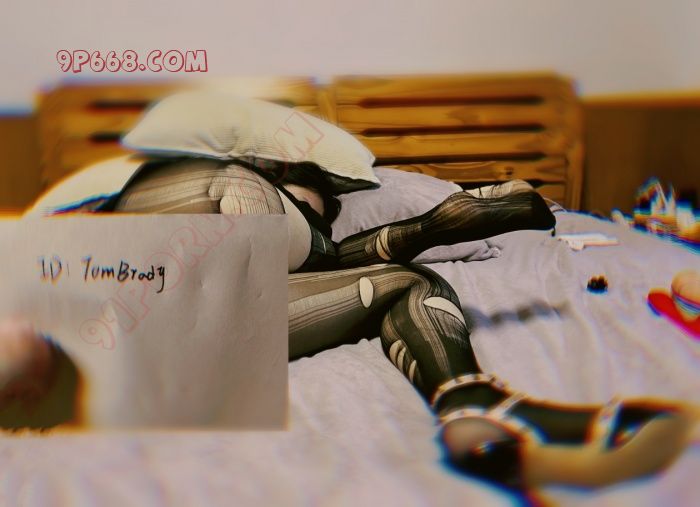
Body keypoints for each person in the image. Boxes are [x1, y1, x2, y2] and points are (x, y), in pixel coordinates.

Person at [0, 158, 695, 490]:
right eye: (311, 201)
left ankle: (475, 404)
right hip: (156, 257)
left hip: (170, 311)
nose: (314, 209)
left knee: (393, 278)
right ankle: (470, 381)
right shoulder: (211, 174)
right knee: (386, 271)